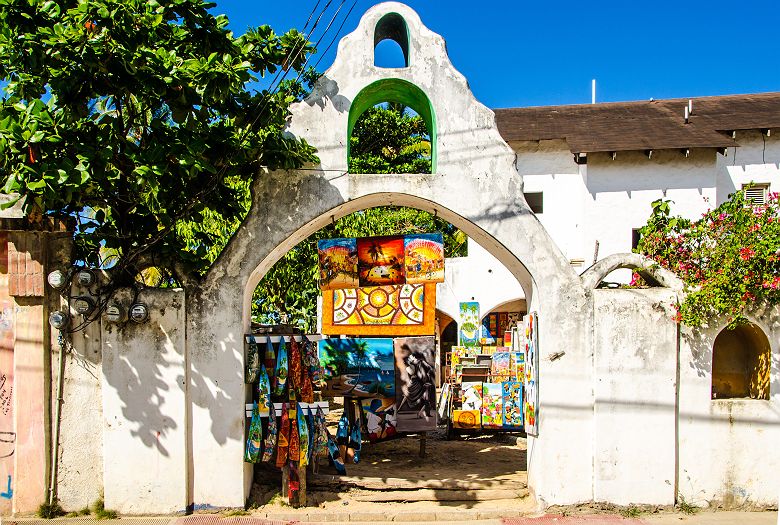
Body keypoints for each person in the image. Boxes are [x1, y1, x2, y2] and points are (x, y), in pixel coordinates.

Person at [398, 345, 435, 419]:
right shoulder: (413, 365)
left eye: (412, 357)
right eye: (410, 357)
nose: (411, 358)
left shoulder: (420, 362)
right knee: (427, 399)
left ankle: (423, 413)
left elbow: (429, 368)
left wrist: (428, 373)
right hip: (421, 383)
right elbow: (416, 374)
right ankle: (421, 413)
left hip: (423, 382)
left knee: (427, 399)